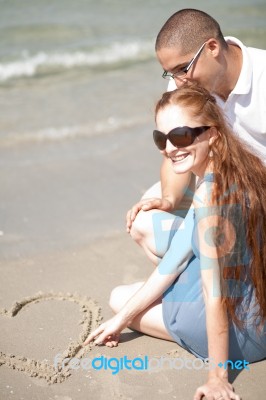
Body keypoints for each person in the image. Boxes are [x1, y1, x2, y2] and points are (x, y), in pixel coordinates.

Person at [84, 85, 266, 400]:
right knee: (168, 274)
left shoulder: (209, 195)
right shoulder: (249, 168)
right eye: (161, 138)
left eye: (181, 136)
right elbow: (176, 258)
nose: (170, 148)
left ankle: (191, 330)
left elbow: (214, 296)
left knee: (118, 297)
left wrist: (217, 377)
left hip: (239, 340)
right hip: (261, 320)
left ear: (213, 134)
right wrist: (121, 321)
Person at [126, 8, 266, 266]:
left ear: (212, 47)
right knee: (143, 221)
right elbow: (177, 151)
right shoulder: (187, 84)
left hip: (256, 195)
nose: (178, 82)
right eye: (170, 73)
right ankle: (205, 279)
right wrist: (169, 198)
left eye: (182, 68)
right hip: (218, 186)